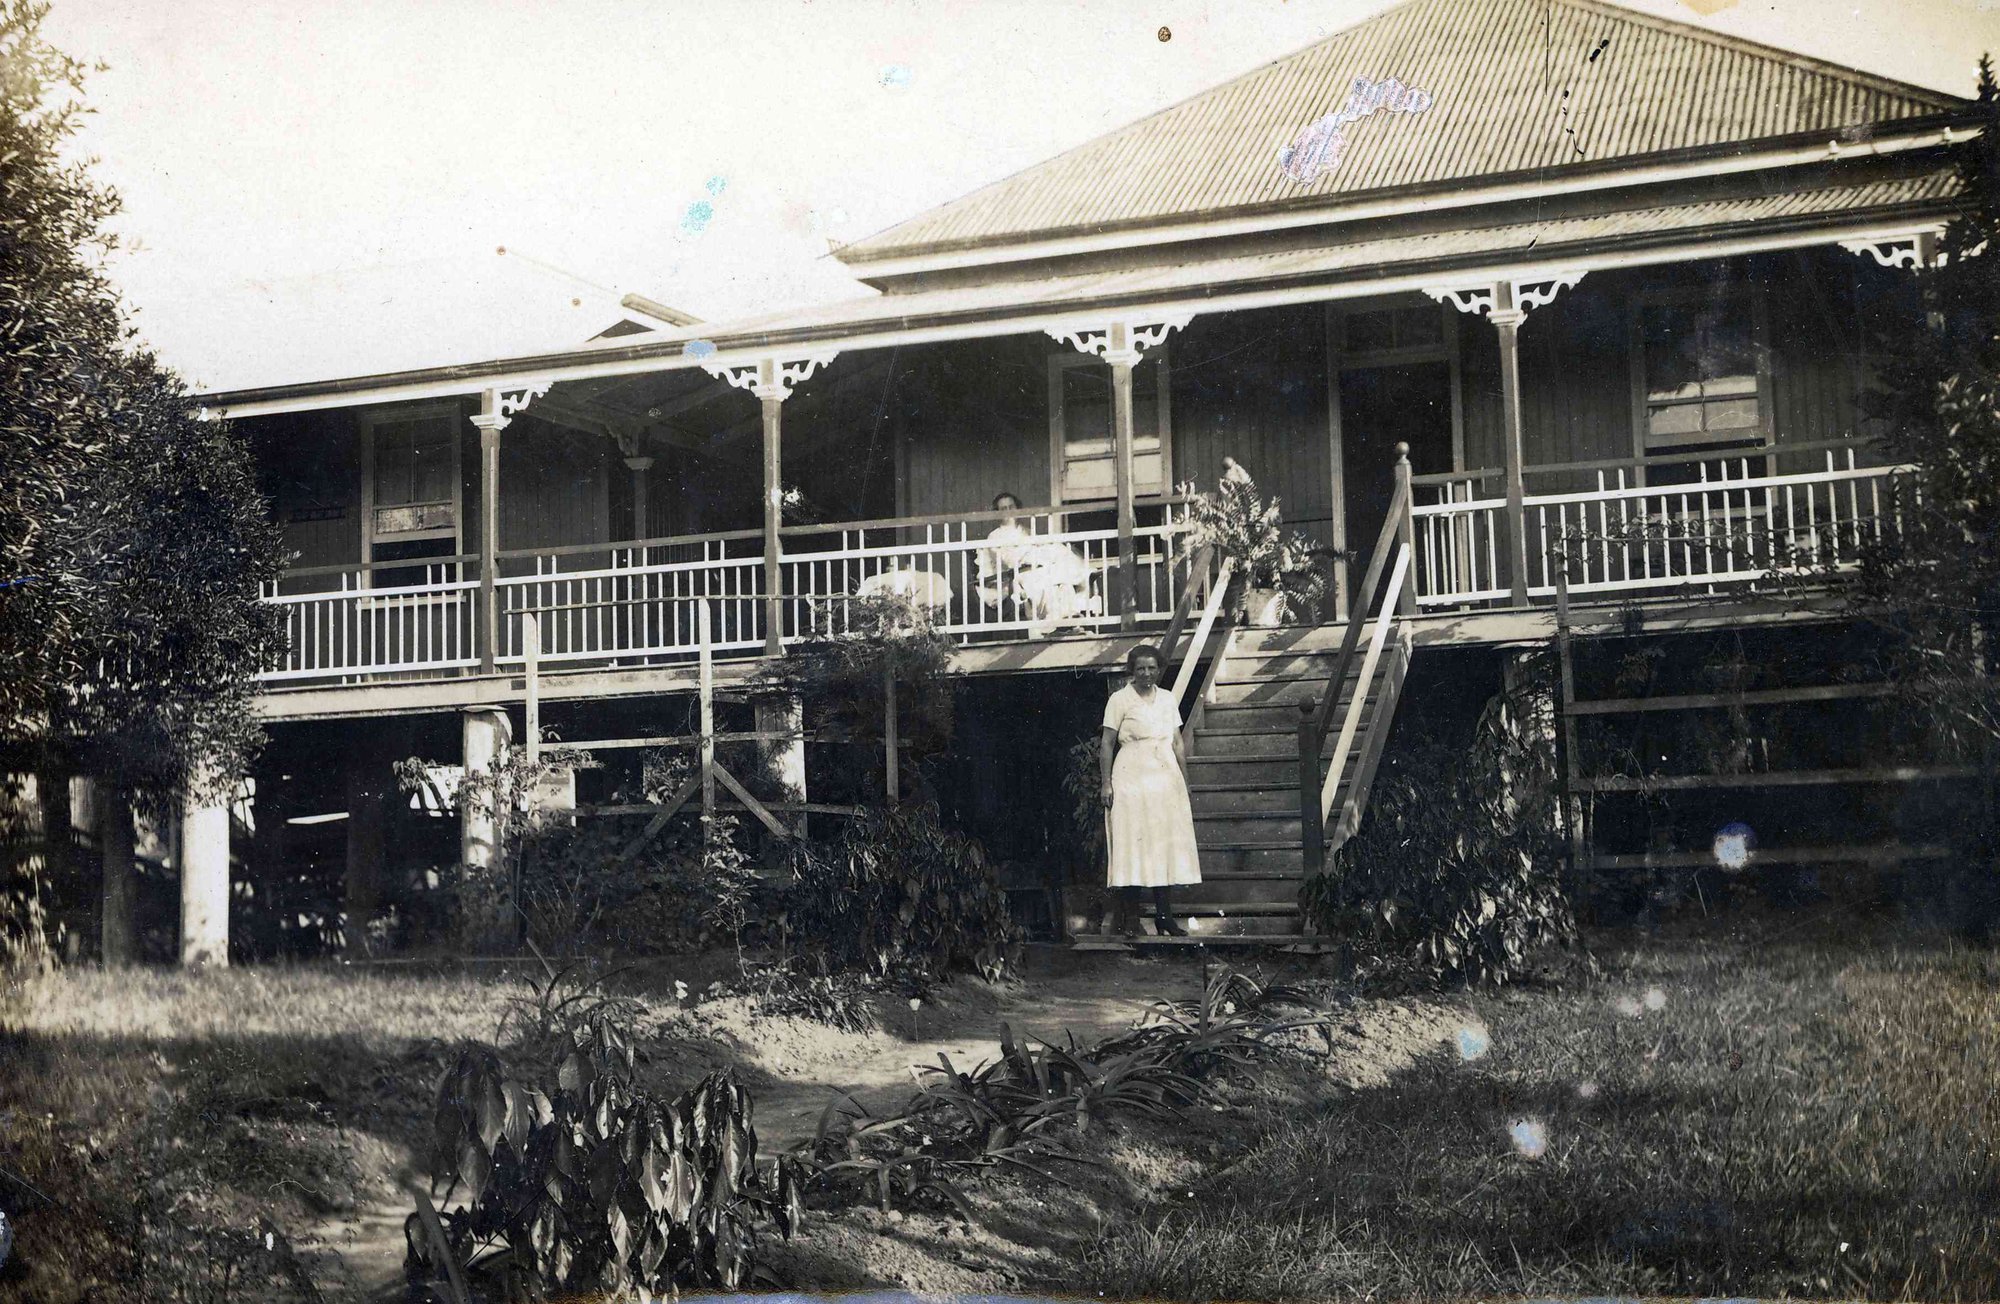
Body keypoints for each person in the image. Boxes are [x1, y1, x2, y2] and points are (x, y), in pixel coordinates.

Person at [1099, 643, 1200, 937]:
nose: (1146, 673)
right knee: (1133, 842)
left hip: (1164, 776)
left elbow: (1177, 742)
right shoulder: (1120, 699)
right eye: (1140, 668)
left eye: (1152, 668)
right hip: (1131, 776)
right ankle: (1132, 919)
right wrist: (1106, 782)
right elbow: (1107, 743)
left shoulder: (1167, 699)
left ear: (1159, 670)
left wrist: (1184, 780)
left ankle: (1164, 917)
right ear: (1132, 670)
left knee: (1162, 842)